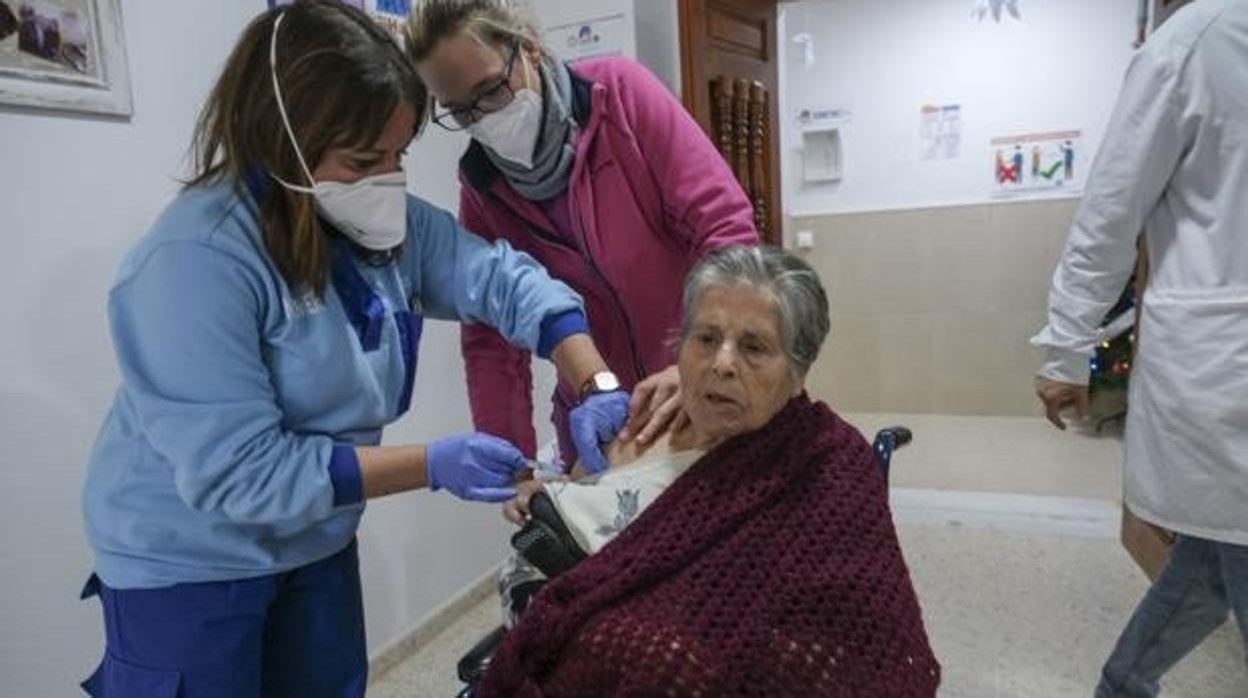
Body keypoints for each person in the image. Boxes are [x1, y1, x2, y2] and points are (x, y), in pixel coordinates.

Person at [78, 3, 625, 696]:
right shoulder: (193, 262)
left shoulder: (378, 223)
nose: (387, 180)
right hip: (189, 562)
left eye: (398, 154)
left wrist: (597, 382)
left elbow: (504, 281)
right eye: (364, 159)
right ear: (281, 142)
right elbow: (242, 475)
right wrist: (433, 463)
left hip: (317, 538)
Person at [482, 246, 940, 697]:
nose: (721, 364)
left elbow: (852, 636)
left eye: (753, 346)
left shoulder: (824, 460)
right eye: (705, 339)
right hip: (548, 613)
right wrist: (547, 495)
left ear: (798, 371)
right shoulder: (632, 425)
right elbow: (583, 498)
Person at [405, 0, 759, 475]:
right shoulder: (483, 185)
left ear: (526, 49)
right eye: (461, 112)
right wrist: (515, 463)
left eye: (490, 91)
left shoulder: (619, 96)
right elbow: (491, 334)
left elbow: (724, 229)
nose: (483, 119)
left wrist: (700, 360)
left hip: (699, 383)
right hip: (599, 414)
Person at [1030, 2, 1248, 695]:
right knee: (1225, 544)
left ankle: (1122, 685)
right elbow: (1109, 212)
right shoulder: (1197, 43)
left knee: (1216, 555)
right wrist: (1066, 350)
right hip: (1226, 377)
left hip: (1222, 371)